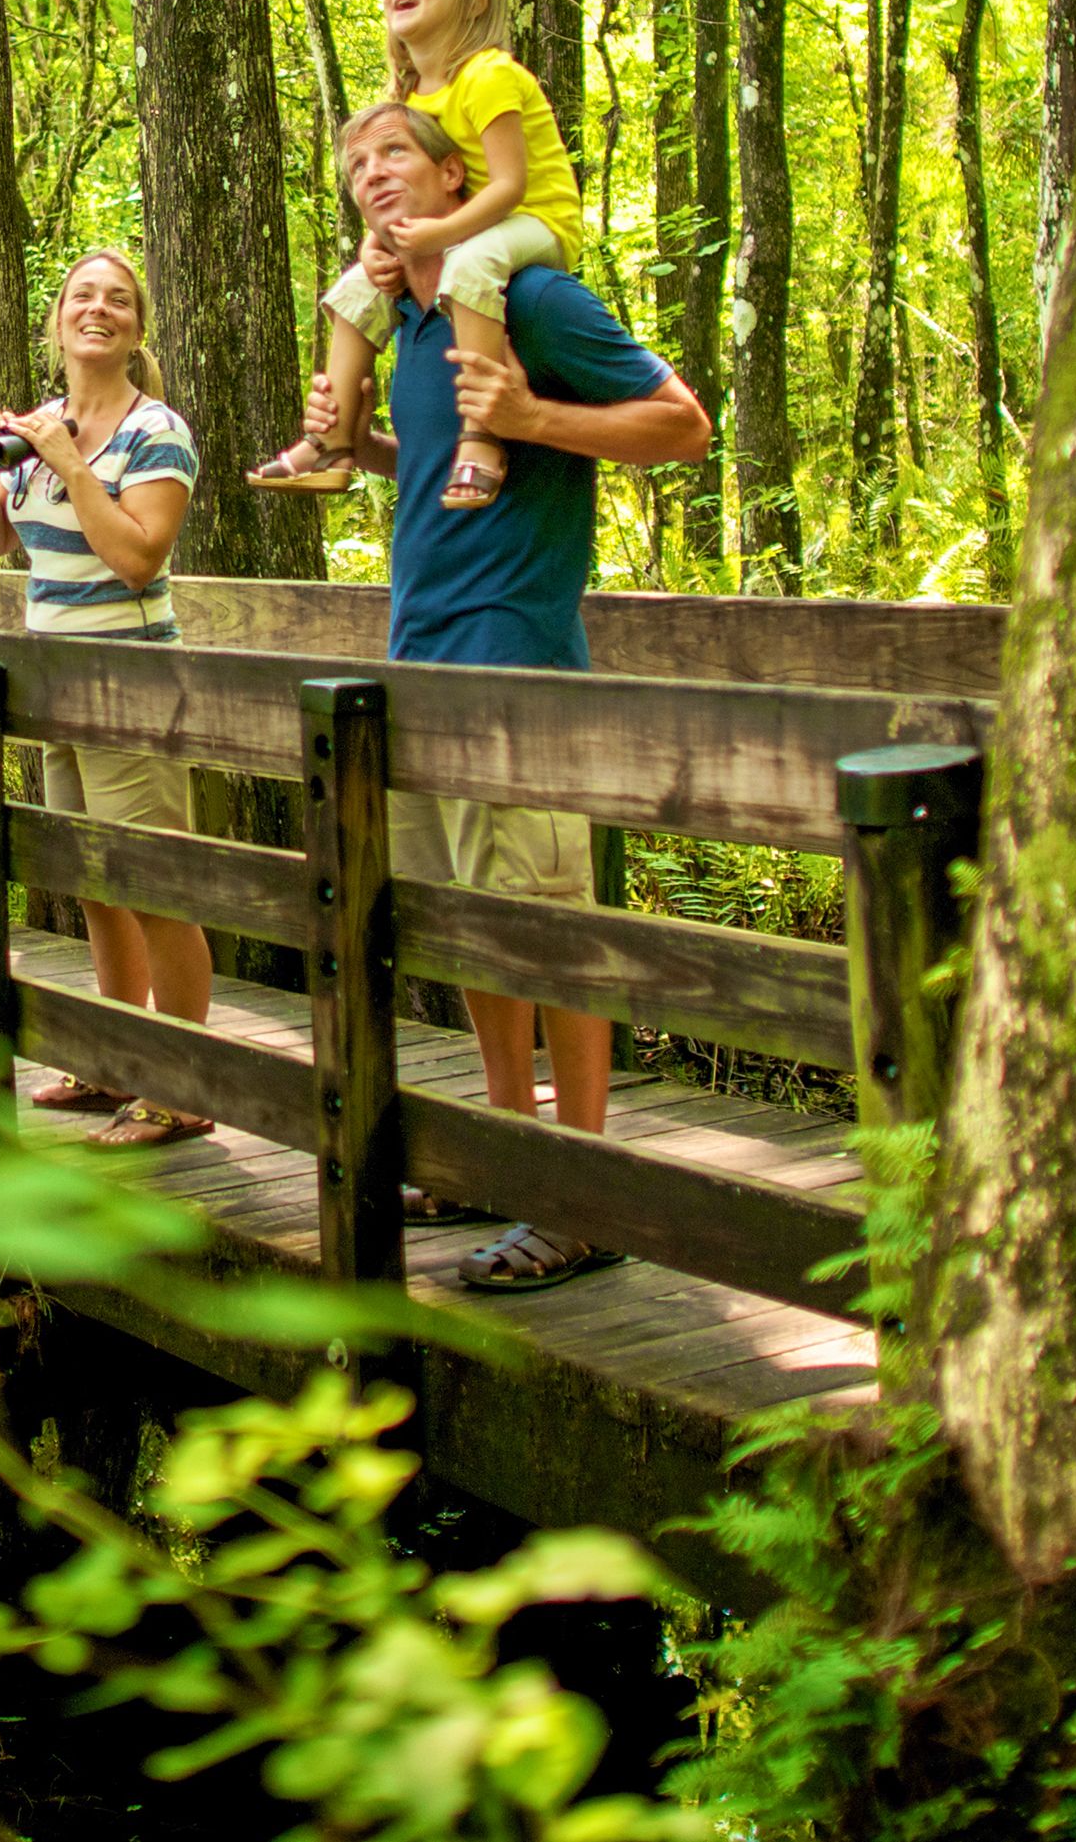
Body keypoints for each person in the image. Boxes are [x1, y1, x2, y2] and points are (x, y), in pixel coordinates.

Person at [299, 99, 712, 1289]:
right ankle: (502, 1157)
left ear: (454, 173)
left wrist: (533, 412)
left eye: (397, 153)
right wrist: (366, 446)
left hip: (517, 656)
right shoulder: (416, 323)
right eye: (357, 162)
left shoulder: (528, 303)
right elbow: (445, 465)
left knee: (545, 926)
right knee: (475, 926)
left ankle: (577, 1191)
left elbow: (682, 425)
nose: (374, 173)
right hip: (421, 647)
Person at [0, 249, 222, 1149]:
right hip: (55, 685)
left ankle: (181, 1081)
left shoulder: (158, 431)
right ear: (58, 320)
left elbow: (139, 555)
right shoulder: (45, 426)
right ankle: (114, 1060)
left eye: (118, 298)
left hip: (131, 681)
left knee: (151, 884)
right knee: (91, 883)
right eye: (82, 296)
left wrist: (72, 464)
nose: (97, 309)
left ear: (137, 328)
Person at [251, 0, 599, 512]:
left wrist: (440, 234)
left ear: (475, 2)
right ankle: (332, 444)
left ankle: (484, 435)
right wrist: (375, 247)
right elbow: (403, 196)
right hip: (472, 226)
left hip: (536, 221)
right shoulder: (411, 99)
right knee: (353, 292)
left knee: (470, 262)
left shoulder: (489, 74)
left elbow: (511, 186)